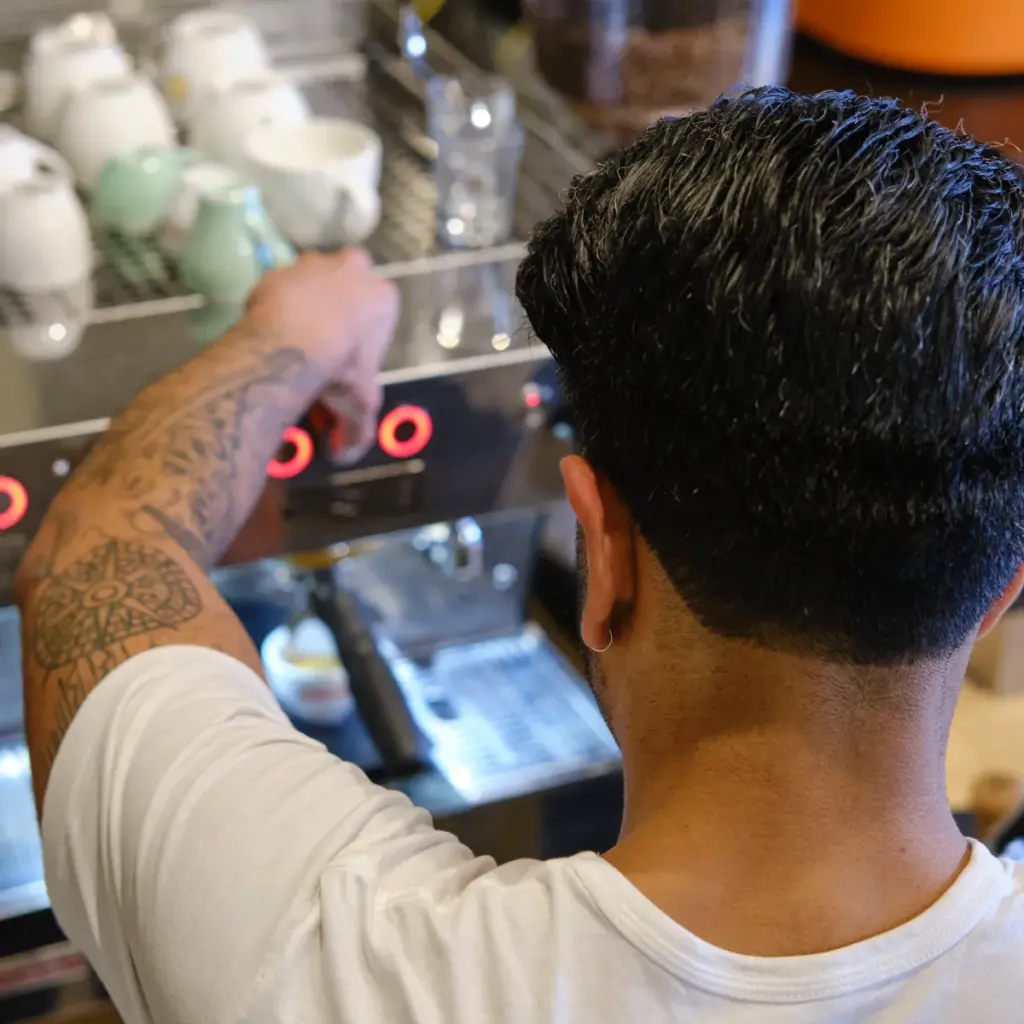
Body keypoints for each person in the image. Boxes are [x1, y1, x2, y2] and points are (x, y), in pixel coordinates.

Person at [17, 87, 1024, 1023]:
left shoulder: (315, 958)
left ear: (602, 556)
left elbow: (93, 549)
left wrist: (292, 332)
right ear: (999, 593)